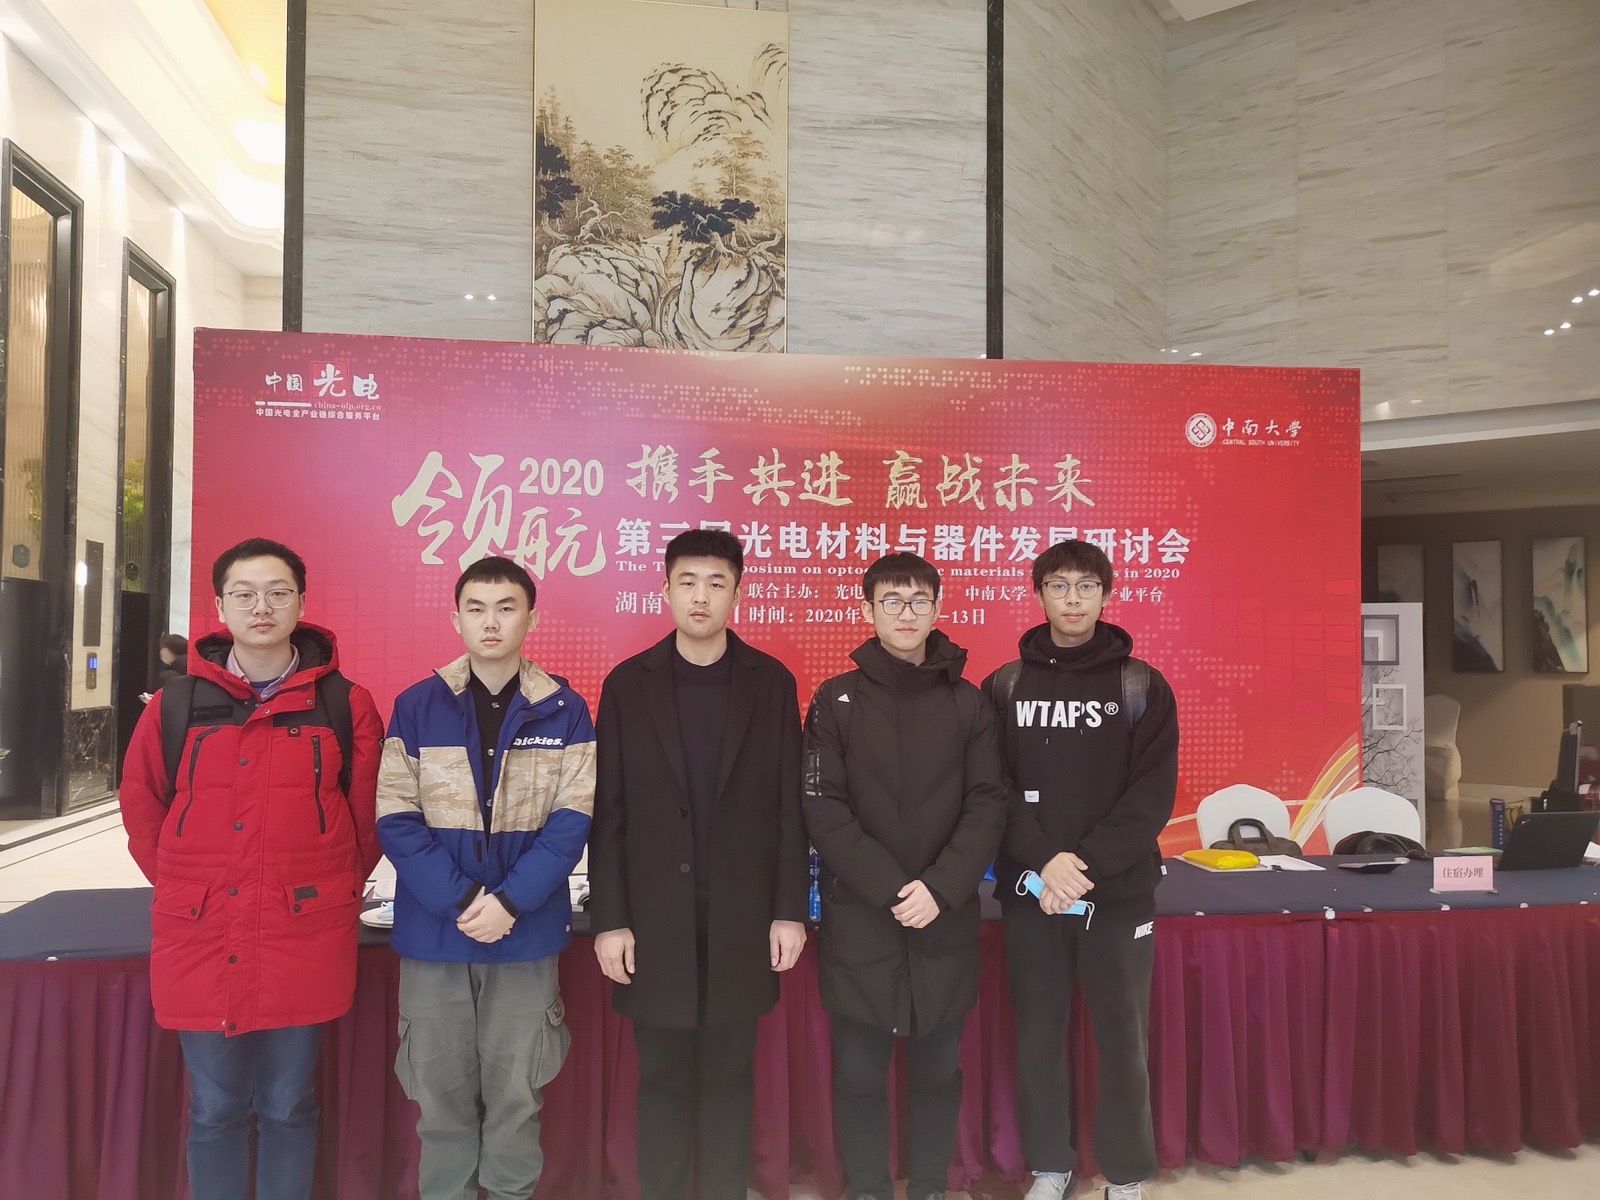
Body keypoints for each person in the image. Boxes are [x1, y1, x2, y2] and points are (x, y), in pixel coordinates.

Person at [119, 537, 384, 1200]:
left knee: (290, 1103)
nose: (261, 606)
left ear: (301, 602)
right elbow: (142, 808)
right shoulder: (176, 705)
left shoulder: (345, 703)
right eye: (244, 594)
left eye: (277, 592)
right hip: (201, 931)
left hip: (305, 930)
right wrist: (187, 884)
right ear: (220, 606)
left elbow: (369, 819)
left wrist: (330, 888)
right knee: (214, 1109)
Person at [590, 528, 808, 1200]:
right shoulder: (628, 684)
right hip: (654, 920)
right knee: (660, 1076)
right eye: (687, 582)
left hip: (742, 916)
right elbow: (608, 812)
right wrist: (611, 919)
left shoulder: (771, 683)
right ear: (665, 590)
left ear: (737, 593)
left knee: (729, 1075)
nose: (701, 597)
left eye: (717, 583)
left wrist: (789, 911)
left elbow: (790, 808)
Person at [377, 555, 594, 1200]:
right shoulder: (417, 706)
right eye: (476, 608)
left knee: (517, 1098)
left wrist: (510, 902)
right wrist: (465, 901)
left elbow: (573, 820)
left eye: (506, 608)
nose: (491, 622)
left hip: (525, 936)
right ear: (457, 619)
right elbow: (396, 817)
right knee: (439, 1101)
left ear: (532, 618)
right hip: (436, 935)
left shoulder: (564, 709)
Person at [802, 552, 1005, 1200]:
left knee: (938, 1073)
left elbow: (987, 804)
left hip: (943, 917)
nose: (906, 613)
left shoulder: (968, 703)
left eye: (919, 600)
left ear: (938, 609)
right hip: (862, 917)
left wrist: (939, 888)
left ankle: (929, 1188)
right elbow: (822, 807)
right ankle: (868, 1188)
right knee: (860, 1075)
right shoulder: (834, 701)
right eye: (891, 601)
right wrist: (892, 889)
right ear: (868, 610)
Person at [983, 540, 1179, 1200]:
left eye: (1086, 586)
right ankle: (1051, 1165)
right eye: (1059, 586)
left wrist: (1083, 866)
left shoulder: (1141, 685)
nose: (1072, 598)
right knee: (1039, 1037)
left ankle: (1124, 1174)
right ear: (1039, 594)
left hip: (1118, 896)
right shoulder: (1004, 686)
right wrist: (1046, 862)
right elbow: (992, 789)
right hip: (1032, 893)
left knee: (1122, 1040)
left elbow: (1150, 796)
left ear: (1106, 594)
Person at [140, 633, 189, 703]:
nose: (161, 652)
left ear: (168, 650)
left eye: (162, 648)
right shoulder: (191, 669)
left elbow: (169, 703)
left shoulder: (169, 676)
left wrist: (153, 701)